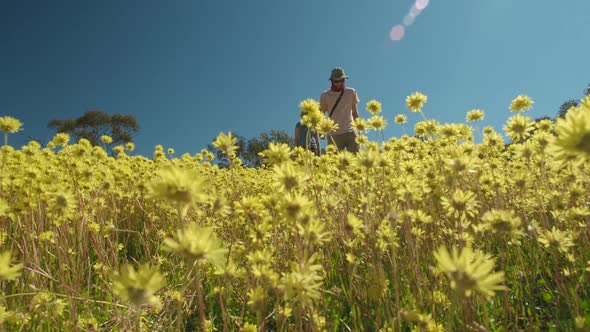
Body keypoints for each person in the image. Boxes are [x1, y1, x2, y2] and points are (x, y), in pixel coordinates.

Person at [320, 67, 359, 153]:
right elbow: (321, 115)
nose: (339, 83)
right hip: (334, 134)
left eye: (341, 80)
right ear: (331, 81)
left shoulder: (351, 92)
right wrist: (321, 132)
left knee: (356, 162)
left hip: (351, 131)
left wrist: (359, 129)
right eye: (336, 81)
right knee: (334, 163)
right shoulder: (325, 95)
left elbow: (355, 112)